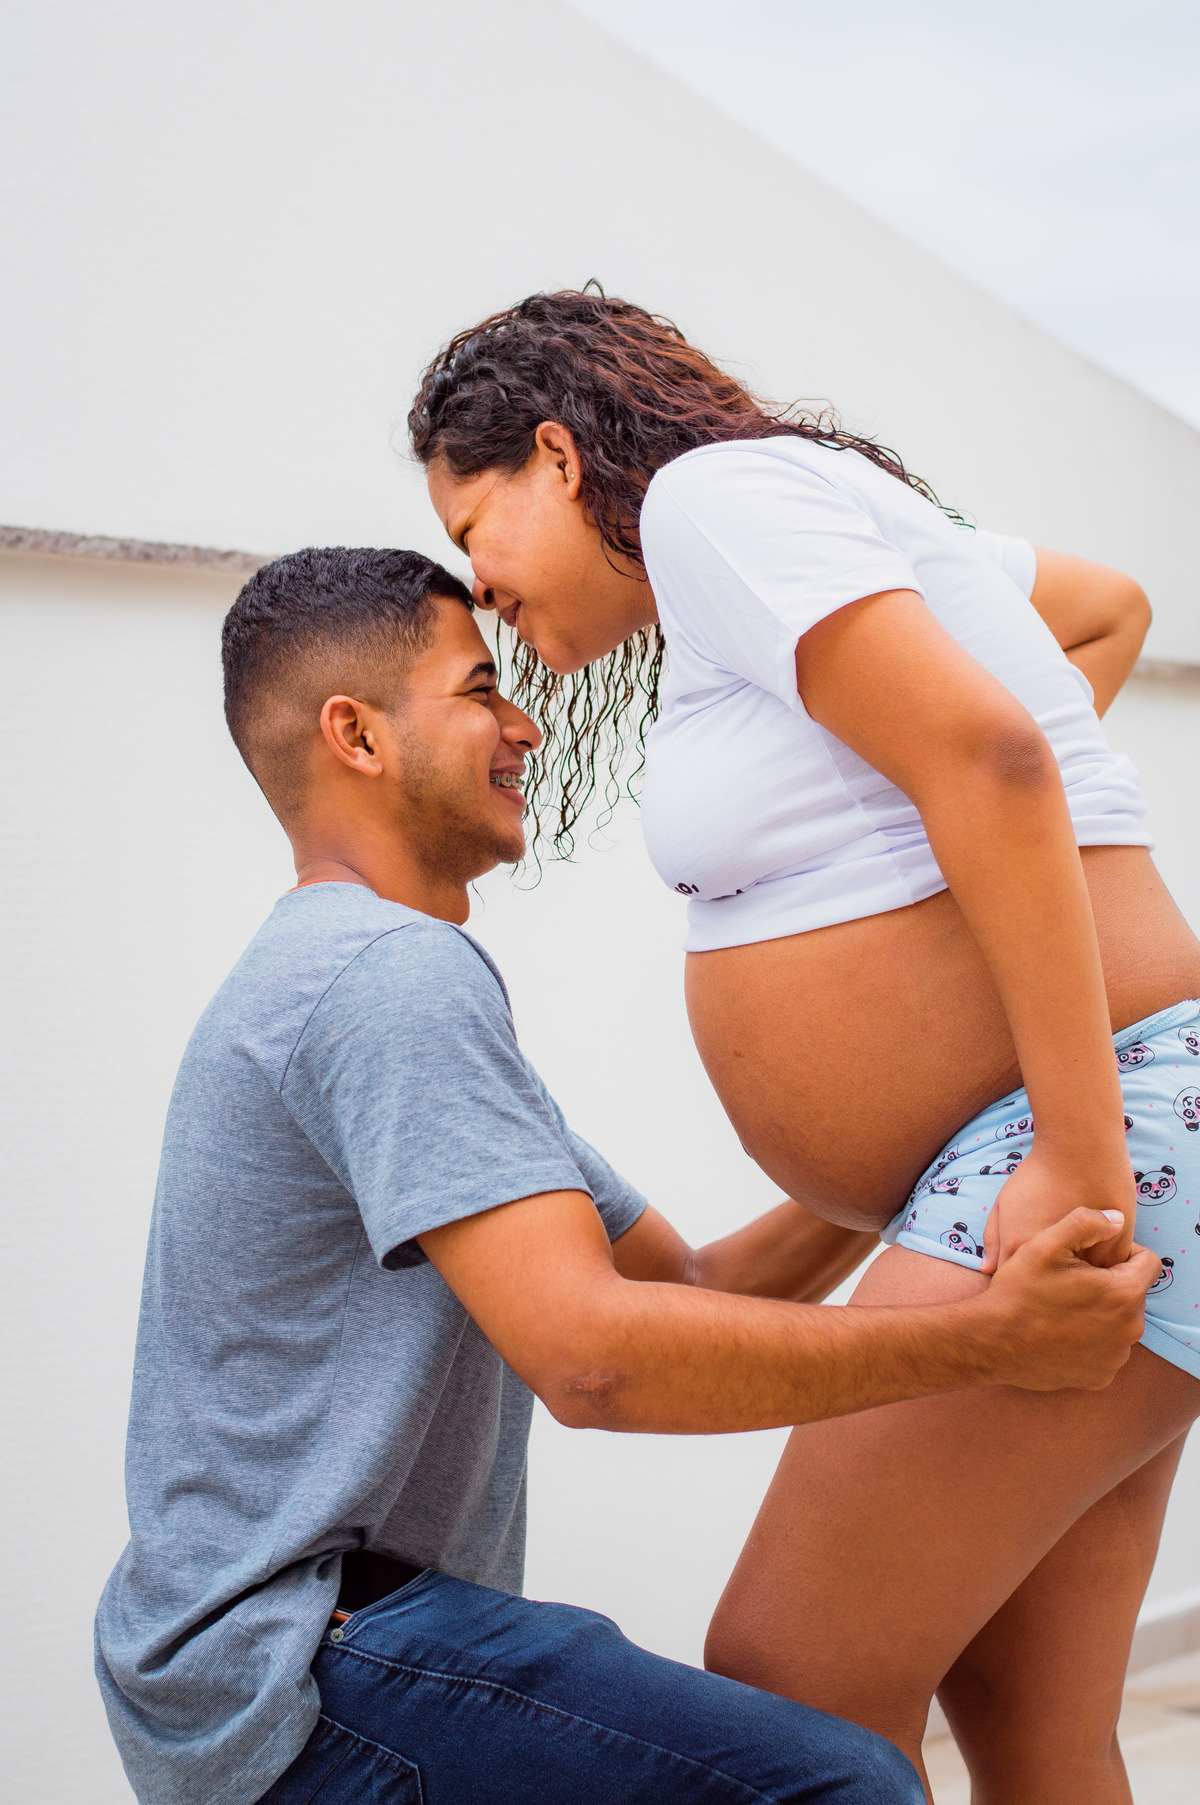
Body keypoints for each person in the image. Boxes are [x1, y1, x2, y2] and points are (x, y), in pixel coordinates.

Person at [94, 548, 1153, 1805]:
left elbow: (699, 1280)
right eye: (480, 687)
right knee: (836, 1785)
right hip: (304, 1661)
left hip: (315, 1649)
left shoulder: (367, 983)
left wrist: (939, 1122)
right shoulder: (383, 978)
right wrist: (992, 1341)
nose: (525, 721)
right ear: (357, 737)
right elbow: (596, 1356)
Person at [411, 288, 1200, 1803]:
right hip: (1099, 1122)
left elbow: (991, 749)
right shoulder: (785, 536)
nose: (482, 589)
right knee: (1032, 1715)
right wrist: (937, 850)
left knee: (796, 1674)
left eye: (476, 528)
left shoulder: (719, 499)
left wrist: (1075, 1145)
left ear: (563, 459)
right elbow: (1095, 616)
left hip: (1094, 1136)